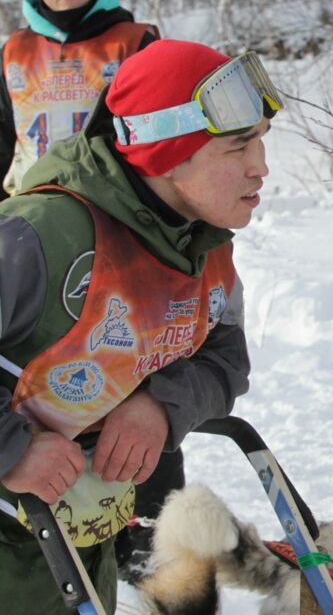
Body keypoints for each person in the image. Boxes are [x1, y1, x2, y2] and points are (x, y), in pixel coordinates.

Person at [0, 39, 279, 613]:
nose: (261, 167)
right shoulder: (40, 236)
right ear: (168, 155)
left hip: (76, 548)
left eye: (261, 142)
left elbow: (226, 361)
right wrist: (11, 449)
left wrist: (161, 404)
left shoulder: (203, 248)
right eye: (237, 146)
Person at [0, 0, 176, 577]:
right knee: (38, 378)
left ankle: (149, 525)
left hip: (122, 230)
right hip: (30, 233)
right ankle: (48, 523)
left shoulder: (135, 40)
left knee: (132, 368)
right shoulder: (12, 51)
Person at [1, 0, 159, 198]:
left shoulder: (134, 42)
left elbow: (159, 136)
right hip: (29, 206)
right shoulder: (15, 51)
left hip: (115, 207)